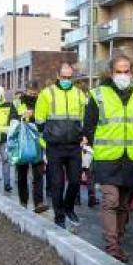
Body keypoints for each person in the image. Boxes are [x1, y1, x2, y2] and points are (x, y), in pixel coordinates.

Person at [83, 54, 133, 262]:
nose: (123, 75)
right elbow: (89, 127)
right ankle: (112, 246)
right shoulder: (98, 95)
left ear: (132, 72)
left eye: (126, 71)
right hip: (107, 159)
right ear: (111, 73)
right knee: (111, 200)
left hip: (132, 158)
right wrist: (100, 149)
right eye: (118, 71)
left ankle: (118, 240)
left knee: (124, 205)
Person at [34, 63, 86, 230]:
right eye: (63, 77)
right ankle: (59, 215)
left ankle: (68, 207)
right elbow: (39, 121)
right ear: (58, 76)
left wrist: (84, 136)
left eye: (69, 78)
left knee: (75, 181)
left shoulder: (79, 94)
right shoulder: (46, 94)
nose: (66, 80)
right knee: (57, 183)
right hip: (54, 147)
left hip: (74, 146)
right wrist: (46, 142)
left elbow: (84, 119)